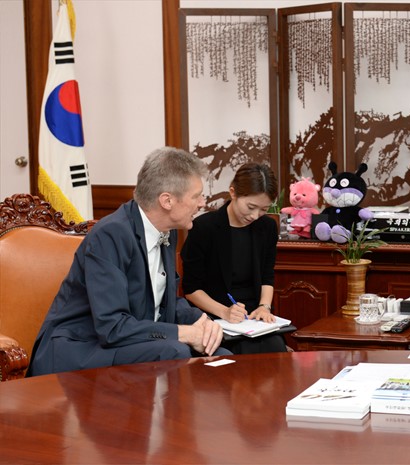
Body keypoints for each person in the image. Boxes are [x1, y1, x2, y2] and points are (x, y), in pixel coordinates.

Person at [27, 147, 229, 377]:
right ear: (167, 201)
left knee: (221, 353)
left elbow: (164, 300)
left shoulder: (168, 230)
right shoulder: (111, 235)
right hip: (81, 347)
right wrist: (184, 333)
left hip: (133, 339)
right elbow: (112, 327)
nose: (202, 203)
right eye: (196, 196)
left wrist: (202, 321)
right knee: (174, 351)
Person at [181, 162, 287, 354]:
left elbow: (267, 276)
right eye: (251, 207)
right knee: (243, 352)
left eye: (263, 209)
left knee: (275, 347)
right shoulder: (204, 228)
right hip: (214, 316)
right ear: (233, 193)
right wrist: (225, 312)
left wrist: (264, 307)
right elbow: (191, 289)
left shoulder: (267, 227)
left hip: (254, 318)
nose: (255, 216)